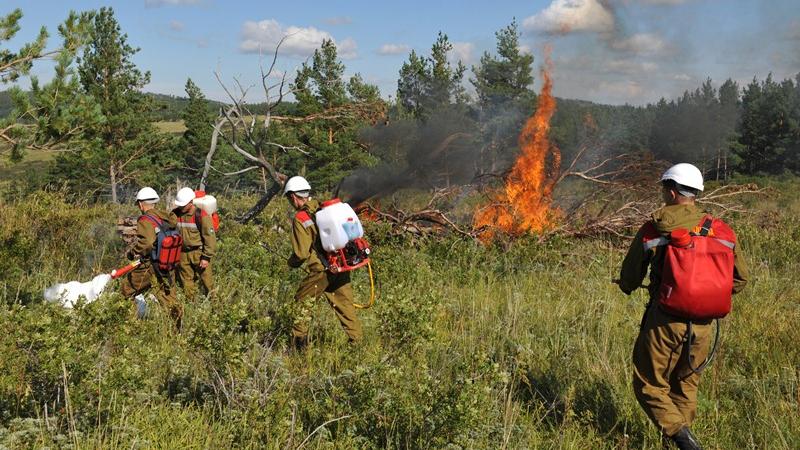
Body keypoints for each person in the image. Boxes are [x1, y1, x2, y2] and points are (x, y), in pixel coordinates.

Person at [618, 163, 749, 450]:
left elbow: (630, 274)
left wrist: (627, 286)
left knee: (649, 384)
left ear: (673, 192)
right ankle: (677, 443)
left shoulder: (655, 227)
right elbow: (740, 279)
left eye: (665, 189)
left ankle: (681, 437)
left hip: (664, 321)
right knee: (686, 385)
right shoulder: (721, 230)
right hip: (704, 326)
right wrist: (705, 293)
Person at [283, 176, 362, 351]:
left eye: (289, 198)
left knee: (302, 304)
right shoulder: (324, 208)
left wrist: (291, 263)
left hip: (321, 271)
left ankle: (298, 348)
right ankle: (357, 345)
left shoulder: (301, 218)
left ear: (294, 196)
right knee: (346, 307)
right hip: (341, 265)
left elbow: (301, 253)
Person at [121, 187, 182, 327]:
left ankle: (129, 326)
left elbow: (147, 242)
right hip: (167, 264)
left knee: (126, 289)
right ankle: (178, 330)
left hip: (150, 266)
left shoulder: (145, 219)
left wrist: (134, 251)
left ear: (141, 204)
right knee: (169, 299)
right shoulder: (166, 216)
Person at [173, 187, 216, 300]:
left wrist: (206, 257)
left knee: (208, 282)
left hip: (199, 253)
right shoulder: (175, 214)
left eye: (183, 205)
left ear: (191, 202)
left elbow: (209, 237)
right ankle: (191, 305)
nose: (181, 207)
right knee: (186, 283)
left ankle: (216, 305)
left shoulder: (200, 214)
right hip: (182, 254)